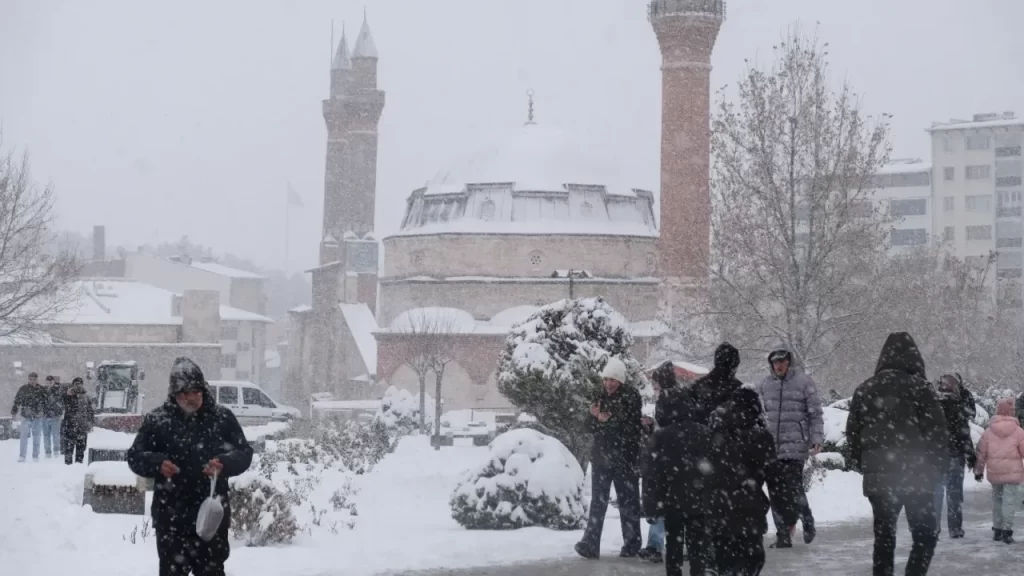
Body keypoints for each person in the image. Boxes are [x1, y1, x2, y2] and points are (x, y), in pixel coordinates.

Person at [127, 357, 253, 576]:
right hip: (171, 519)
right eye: (181, 393)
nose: (187, 398)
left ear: (202, 390)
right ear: (173, 394)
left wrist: (224, 463)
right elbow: (134, 456)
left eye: (193, 391)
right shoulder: (158, 420)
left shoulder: (222, 418)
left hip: (211, 518)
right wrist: (157, 464)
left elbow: (244, 453)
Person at [846, 332, 948, 576]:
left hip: (880, 478)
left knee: (883, 538)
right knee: (925, 536)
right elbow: (937, 433)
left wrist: (867, 465)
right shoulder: (920, 389)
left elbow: (853, 434)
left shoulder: (865, 389)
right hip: (916, 476)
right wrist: (935, 468)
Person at [575, 356, 643, 560]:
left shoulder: (632, 397)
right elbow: (587, 426)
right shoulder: (599, 397)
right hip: (602, 459)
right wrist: (596, 418)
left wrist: (605, 420)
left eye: (612, 380)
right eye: (606, 379)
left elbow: (629, 429)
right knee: (598, 501)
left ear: (621, 381)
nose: (608, 384)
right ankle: (590, 544)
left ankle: (632, 544)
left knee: (628, 502)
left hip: (625, 459)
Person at [755, 348, 824, 549]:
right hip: (771, 448)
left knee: (794, 488)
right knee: (775, 493)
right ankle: (783, 535)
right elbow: (758, 414)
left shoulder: (804, 382)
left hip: (795, 445)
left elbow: (816, 414)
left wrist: (815, 438)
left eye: (782, 361)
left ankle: (807, 519)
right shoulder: (765, 385)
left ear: (789, 362)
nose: (779, 365)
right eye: (775, 362)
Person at [707, 387, 776, 576]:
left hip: (721, 512)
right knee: (751, 561)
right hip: (750, 511)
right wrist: (787, 514)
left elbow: (705, 475)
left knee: (725, 562)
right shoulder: (762, 438)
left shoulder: (715, 437)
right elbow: (774, 479)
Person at [645, 387, 712, 576]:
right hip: (699, 501)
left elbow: (651, 474)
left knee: (673, 545)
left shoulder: (660, 436)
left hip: (671, 501)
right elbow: (716, 471)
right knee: (697, 548)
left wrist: (651, 506)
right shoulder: (705, 433)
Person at [638, 361, 678, 564]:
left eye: (656, 385)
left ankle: (655, 546)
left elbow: (666, 429)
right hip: (675, 460)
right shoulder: (677, 397)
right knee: (674, 503)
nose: (654, 389)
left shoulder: (667, 400)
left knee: (661, 503)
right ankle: (672, 545)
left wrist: (653, 428)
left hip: (666, 460)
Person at [973, 397, 1024, 544]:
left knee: (997, 500)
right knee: (1009, 502)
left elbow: (981, 454)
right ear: (1011, 412)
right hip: (1013, 473)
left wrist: (978, 470)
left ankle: (997, 529)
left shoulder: (989, 432)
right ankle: (1007, 531)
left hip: (995, 472)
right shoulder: (1019, 432)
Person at [933, 374, 977, 538]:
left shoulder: (930, 408)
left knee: (935, 494)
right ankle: (955, 528)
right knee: (955, 495)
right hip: (954, 456)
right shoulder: (957, 407)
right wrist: (970, 455)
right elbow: (964, 434)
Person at [689, 342, 743, 425]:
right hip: (729, 436)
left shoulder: (698, 386)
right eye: (736, 366)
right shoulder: (740, 389)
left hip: (700, 435)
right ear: (733, 366)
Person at [11, 372, 47, 462]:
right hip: (25, 415)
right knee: (23, 437)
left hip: (37, 417)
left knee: (37, 437)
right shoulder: (23, 389)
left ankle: (35, 456)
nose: (32, 381)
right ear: (28, 379)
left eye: (34, 379)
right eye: (30, 379)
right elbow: (17, 401)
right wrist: (14, 412)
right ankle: (22, 456)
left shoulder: (41, 389)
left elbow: (46, 402)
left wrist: (44, 412)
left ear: (37, 379)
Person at [61, 377, 95, 464]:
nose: (78, 386)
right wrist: (67, 395)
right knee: (68, 449)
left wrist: (90, 423)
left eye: (79, 384)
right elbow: (60, 405)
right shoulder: (67, 396)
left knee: (80, 450)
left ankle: (78, 467)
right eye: (76, 384)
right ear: (72, 385)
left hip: (82, 427)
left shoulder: (86, 397)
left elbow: (90, 411)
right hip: (70, 426)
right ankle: (68, 467)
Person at [41, 375, 64, 458]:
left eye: (51, 382)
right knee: (46, 435)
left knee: (56, 435)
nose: (49, 384)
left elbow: (60, 403)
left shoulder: (58, 390)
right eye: (47, 382)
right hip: (45, 416)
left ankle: (56, 450)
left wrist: (56, 410)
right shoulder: (42, 391)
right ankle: (47, 452)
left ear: (53, 382)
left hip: (55, 416)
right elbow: (40, 403)